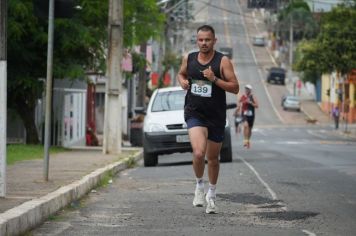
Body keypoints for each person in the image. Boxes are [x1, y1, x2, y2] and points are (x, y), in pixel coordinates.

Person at [177, 25, 239, 214]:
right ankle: (199, 187)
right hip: (194, 113)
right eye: (201, 40)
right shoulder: (190, 58)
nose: (204, 43)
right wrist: (183, 82)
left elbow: (235, 88)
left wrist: (214, 79)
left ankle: (211, 195)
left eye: (208, 40)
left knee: (212, 159)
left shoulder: (223, 61)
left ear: (214, 40)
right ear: (197, 40)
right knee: (198, 153)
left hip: (216, 116)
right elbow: (181, 74)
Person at [237, 84, 258, 148]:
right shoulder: (243, 96)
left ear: (250, 90)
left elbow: (257, 106)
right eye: (246, 89)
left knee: (250, 129)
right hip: (244, 114)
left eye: (248, 89)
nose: (246, 90)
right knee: (246, 126)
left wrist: (250, 102)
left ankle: (248, 140)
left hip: (251, 115)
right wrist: (239, 107)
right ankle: (245, 141)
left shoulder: (253, 97)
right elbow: (239, 102)